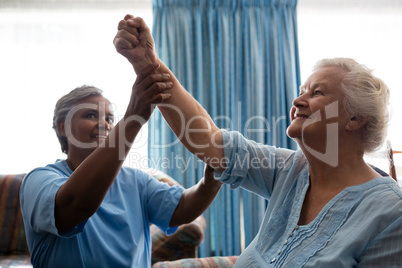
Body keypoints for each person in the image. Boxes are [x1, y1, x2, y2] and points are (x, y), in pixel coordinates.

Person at [114, 15, 402, 267]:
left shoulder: (390, 213)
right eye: (302, 90)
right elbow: (209, 141)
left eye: (317, 93)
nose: (297, 100)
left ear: (355, 119)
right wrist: (146, 63)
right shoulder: (290, 169)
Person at [19, 64, 223, 267]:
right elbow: (74, 207)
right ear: (63, 127)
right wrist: (133, 119)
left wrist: (210, 181)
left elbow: (181, 208)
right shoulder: (38, 180)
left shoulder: (136, 180)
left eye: (109, 118)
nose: (105, 124)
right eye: (90, 115)